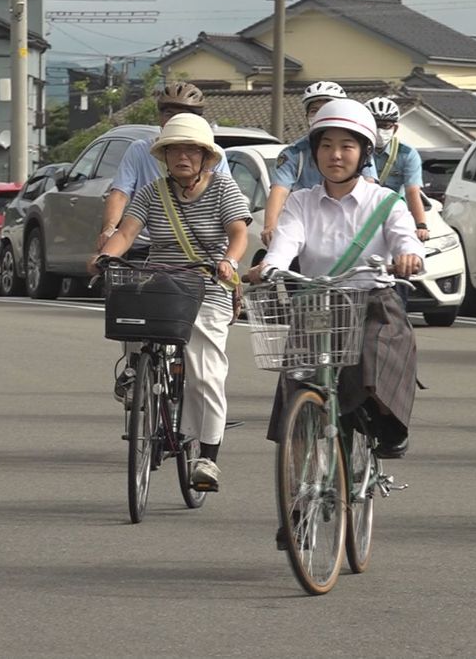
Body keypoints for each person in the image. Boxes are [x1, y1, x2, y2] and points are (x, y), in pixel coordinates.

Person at [251, 99, 425, 463]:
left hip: (371, 300)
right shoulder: (301, 202)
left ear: (363, 153)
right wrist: (272, 265)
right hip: (317, 303)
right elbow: (286, 241)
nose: (335, 155)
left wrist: (409, 257)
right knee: (297, 382)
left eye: (347, 146)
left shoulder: (386, 201)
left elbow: (405, 239)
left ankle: (386, 423)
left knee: (377, 354)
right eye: (326, 146)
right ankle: (295, 484)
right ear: (314, 152)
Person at [91, 113, 251, 491]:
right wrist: (103, 257)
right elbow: (127, 233)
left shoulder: (223, 189)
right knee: (128, 308)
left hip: (208, 285)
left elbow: (239, 233)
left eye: (191, 150)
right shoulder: (150, 193)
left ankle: (207, 458)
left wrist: (229, 261)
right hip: (161, 281)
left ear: (205, 157)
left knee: (204, 371)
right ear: (164, 156)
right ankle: (138, 375)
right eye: (175, 149)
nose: (183, 156)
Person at [96, 82, 233, 403]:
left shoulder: (215, 156)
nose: (176, 119)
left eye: (185, 114)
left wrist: (228, 260)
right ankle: (134, 363)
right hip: (144, 243)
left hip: (195, 256)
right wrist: (109, 229)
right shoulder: (140, 150)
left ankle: (195, 403)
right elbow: (120, 192)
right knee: (130, 298)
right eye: (169, 112)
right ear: (159, 117)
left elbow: (225, 202)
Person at [260, 81, 377, 246]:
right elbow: (279, 191)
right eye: (314, 110)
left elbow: (370, 189)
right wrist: (270, 227)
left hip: (352, 229)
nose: (335, 156)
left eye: (346, 147)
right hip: (307, 230)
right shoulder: (293, 153)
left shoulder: (363, 151)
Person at [364, 97, 429, 242]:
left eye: (386, 125)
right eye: (375, 125)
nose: (380, 130)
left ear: (395, 128)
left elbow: (412, 191)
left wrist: (421, 225)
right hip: (363, 214)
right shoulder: (357, 150)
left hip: (396, 214)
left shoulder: (407, 154)